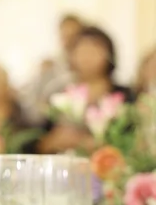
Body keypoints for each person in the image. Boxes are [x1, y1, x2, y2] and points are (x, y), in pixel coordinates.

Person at [37, 26, 134, 154]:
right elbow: (39, 140)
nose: (87, 56)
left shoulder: (125, 95)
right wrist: (54, 141)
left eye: (95, 49)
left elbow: (133, 141)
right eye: (81, 49)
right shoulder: (59, 95)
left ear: (109, 54)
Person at [21, 14, 85, 124]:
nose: (69, 43)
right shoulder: (49, 66)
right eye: (65, 36)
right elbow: (33, 104)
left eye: (73, 37)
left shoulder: (90, 69)